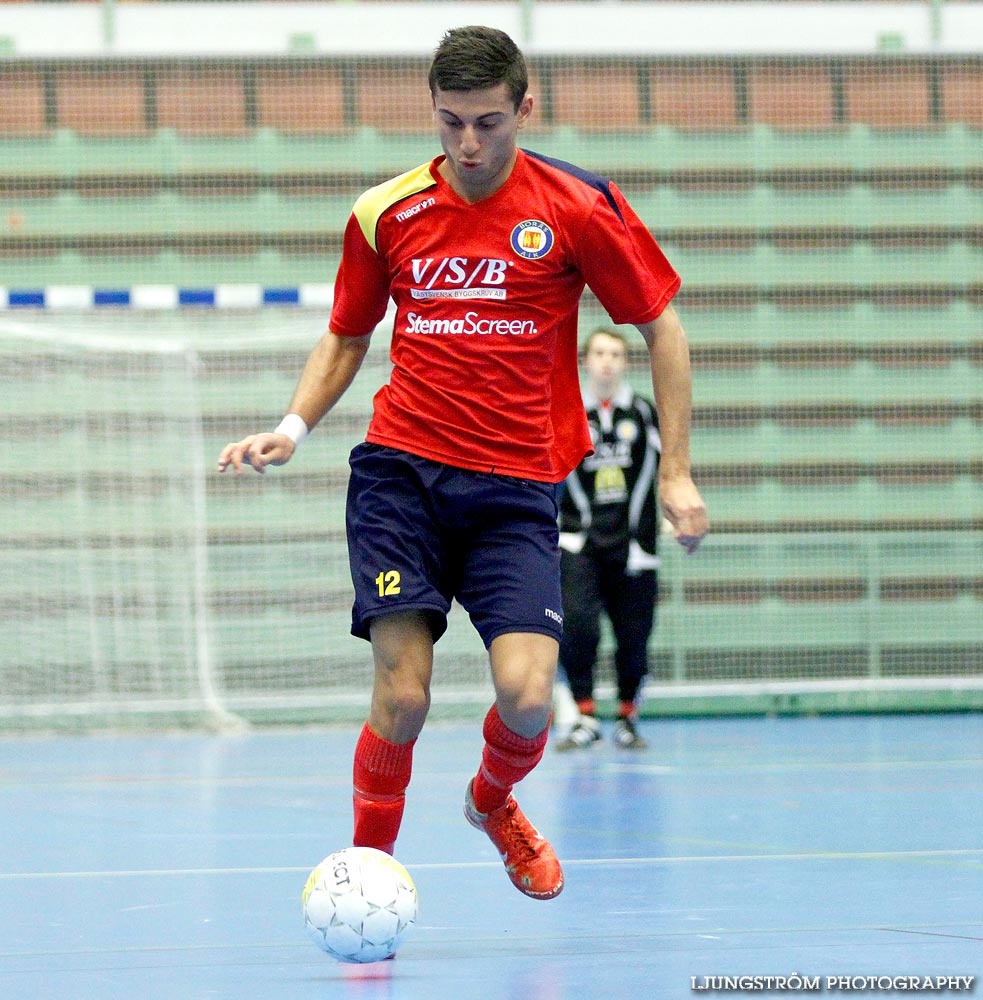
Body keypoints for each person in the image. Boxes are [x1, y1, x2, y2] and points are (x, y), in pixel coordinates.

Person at [217, 25, 708, 907]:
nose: (469, 144)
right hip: (401, 477)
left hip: (516, 488)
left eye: (488, 122)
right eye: (450, 123)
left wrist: (674, 471)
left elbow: (661, 325)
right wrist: (293, 424)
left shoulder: (577, 206)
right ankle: (366, 873)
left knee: (526, 698)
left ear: (524, 107)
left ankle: (492, 802)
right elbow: (347, 333)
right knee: (402, 698)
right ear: (432, 113)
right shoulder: (387, 211)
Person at [555, 328, 661, 752]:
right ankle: (583, 716)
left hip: (635, 546)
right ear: (585, 360)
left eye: (615, 353)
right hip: (578, 542)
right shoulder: (566, 412)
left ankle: (626, 717)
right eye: (599, 352)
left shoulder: (643, 412)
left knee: (634, 636)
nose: (606, 361)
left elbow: (666, 465)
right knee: (578, 629)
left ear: (625, 362)